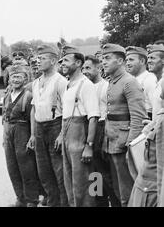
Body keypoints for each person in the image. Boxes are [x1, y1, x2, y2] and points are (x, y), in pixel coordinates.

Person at [100, 43, 146, 207]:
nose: (103, 62)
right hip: (113, 142)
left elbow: (138, 117)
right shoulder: (113, 82)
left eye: (107, 58)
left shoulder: (129, 82)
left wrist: (130, 147)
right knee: (119, 190)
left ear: (120, 61)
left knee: (128, 190)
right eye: (102, 58)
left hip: (124, 144)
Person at [26, 44, 69, 207]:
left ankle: (62, 203)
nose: (39, 61)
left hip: (55, 126)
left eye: (42, 58)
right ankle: (52, 202)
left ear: (53, 60)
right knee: (43, 171)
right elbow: (34, 109)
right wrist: (32, 134)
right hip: (39, 127)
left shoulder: (61, 81)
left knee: (59, 171)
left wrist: (61, 134)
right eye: (38, 58)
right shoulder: (36, 82)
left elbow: (67, 110)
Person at [60, 47, 99, 206]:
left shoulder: (85, 84)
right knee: (69, 182)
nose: (62, 64)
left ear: (78, 63)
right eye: (62, 61)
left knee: (83, 183)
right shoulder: (69, 84)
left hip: (79, 138)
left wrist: (89, 145)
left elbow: (93, 116)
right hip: (67, 136)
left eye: (66, 61)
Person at [128, 44, 164, 207]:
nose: (149, 61)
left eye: (153, 58)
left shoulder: (153, 81)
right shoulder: (156, 81)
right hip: (155, 130)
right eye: (148, 57)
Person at [82, 55, 120, 207]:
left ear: (99, 68)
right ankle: (99, 202)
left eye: (88, 68)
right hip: (87, 129)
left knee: (106, 173)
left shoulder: (106, 86)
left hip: (102, 129)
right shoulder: (84, 86)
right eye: (83, 68)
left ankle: (115, 202)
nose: (85, 71)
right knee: (93, 173)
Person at [2, 64, 40, 207]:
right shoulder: (7, 96)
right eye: (13, 77)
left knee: (27, 167)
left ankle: (32, 200)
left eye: (19, 77)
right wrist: (4, 137)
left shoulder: (28, 96)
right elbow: (4, 117)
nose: (16, 80)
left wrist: (32, 136)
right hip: (8, 133)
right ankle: (20, 198)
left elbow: (33, 118)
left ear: (25, 79)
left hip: (22, 131)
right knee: (12, 167)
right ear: (9, 79)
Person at [125, 46, 157, 120]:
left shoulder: (150, 80)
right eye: (126, 60)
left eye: (131, 60)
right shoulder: (130, 80)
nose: (127, 63)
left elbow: (157, 107)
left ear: (142, 61)